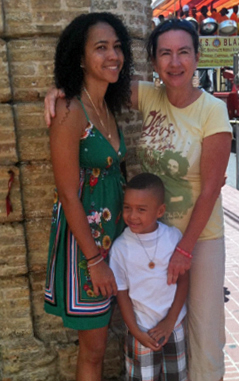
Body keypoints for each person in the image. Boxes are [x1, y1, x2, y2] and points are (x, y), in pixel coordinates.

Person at [44, 17, 232, 381]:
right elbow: (94, 83)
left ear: (197, 56)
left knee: (203, 330)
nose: (174, 62)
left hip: (195, 238)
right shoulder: (145, 95)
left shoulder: (212, 110)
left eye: (183, 53)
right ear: (153, 60)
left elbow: (210, 188)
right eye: (165, 53)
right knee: (136, 328)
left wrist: (185, 248)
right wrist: (57, 90)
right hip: (138, 237)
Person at [43, 12, 133, 381]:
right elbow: (67, 193)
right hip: (87, 245)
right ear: (79, 57)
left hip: (116, 236)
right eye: (100, 48)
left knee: (104, 341)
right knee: (94, 349)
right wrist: (95, 260)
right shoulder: (70, 109)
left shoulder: (109, 104)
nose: (113, 55)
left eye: (117, 46)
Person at [110, 173, 188, 380]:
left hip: (174, 325)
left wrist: (171, 321)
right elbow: (122, 294)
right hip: (141, 329)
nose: (132, 216)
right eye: (127, 207)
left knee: (176, 376)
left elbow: (183, 281)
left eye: (141, 209)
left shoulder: (172, 238)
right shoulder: (120, 248)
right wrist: (135, 331)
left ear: (160, 210)